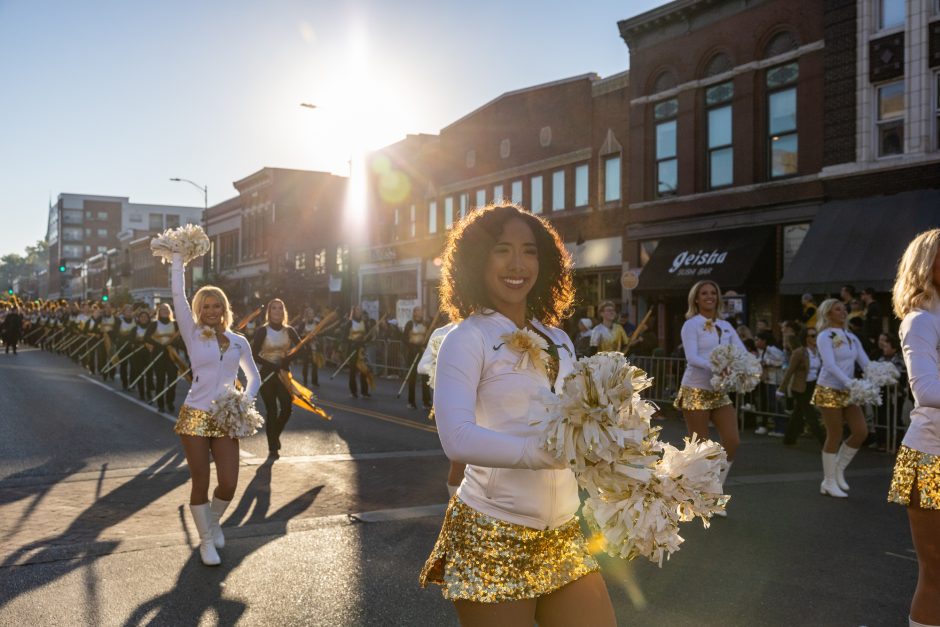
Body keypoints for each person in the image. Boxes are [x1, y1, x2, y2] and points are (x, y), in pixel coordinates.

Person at [419, 204, 615, 625]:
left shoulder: (559, 339)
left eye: (529, 252)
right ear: (476, 260)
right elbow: (456, 437)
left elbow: (578, 422)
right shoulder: (465, 339)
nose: (517, 264)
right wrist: (540, 452)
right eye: (501, 250)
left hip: (563, 533)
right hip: (493, 535)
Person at [170, 252, 261, 566]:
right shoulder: (193, 333)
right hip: (195, 415)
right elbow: (178, 296)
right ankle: (206, 541)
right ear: (199, 310)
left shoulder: (238, 341)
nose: (211, 311)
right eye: (205, 306)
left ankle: (213, 522)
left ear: (224, 308)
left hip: (226, 418)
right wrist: (179, 258)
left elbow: (254, 377)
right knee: (201, 481)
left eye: (216, 305)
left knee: (230, 482)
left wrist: (242, 402)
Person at [887, 228, 940, 627]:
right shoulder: (920, 321)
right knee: (936, 572)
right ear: (926, 264)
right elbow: (925, 390)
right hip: (927, 457)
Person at [675, 281, 742, 508]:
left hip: (719, 391)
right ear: (696, 298)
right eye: (704, 293)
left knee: (732, 441)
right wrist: (719, 366)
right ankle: (698, 494)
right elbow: (692, 357)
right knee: (700, 449)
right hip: (695, 389)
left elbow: (740, 351)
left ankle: (713, 490)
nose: (709, 296)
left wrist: (745, 366)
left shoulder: (725, 325)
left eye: (713, 293)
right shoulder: (691, 325)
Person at [812, 298, 870, 498]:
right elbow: (829, 365)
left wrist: (880, 375)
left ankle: (838, 469)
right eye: (838, 309)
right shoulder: (824, 336)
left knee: (861, 431)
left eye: (844, 309)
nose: (843, 312)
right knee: (835, 433)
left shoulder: (852, 337)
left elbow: (865, 362)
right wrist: (851, 382)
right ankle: (828, 482)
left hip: (848, 389)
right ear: (828, 314)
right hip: (828, 388)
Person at [251, 298, 301, 456]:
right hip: (267, 374)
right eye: (274, 308)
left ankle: (274, 435)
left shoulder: (290, 330)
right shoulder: (262, 331)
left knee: (287, 407)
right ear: (269, 312)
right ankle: (273, 447)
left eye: (280, 308)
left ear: (284, 311)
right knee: (271, 410)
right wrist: (271, 365)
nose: (277, 311)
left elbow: (302, 349)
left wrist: (288, 360)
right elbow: (253, 354)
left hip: (283, 374)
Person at [779, 328, 825, 446]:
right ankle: (824, 441)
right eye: (812, 336)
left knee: (798, 414)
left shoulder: (818, 351)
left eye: (816, 335)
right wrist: (781, 389)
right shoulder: (799, 352)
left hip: (812, 386)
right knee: (811, 415)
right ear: (806, 338)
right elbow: (790, 371)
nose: (815, 338)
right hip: (800, 388)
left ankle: (789, 439)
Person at [146, 303, 182, 413]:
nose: (164, 311)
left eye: (166, 309)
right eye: (162, 310)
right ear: (159, 312)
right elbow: (146, 337)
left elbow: (181, 339)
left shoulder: (175, 324)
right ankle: (160, 404)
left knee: (172, 380)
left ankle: (170, 401)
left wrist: (175, 344)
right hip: (158, 354)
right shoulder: (154, 324)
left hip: (172, 354)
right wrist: (159, 345)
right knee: (160, 380)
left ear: (170, 311)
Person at [755, 330, 786, 436]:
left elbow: (782, 360)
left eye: (758, 339)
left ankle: (781, 428)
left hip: (775, 381)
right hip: (769, 380)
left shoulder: (772, 349)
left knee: (776, 405)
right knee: (772, 405)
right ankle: (777, 427)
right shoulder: (764, 351)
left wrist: (768, 362)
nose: (756, 342)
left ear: (764, 341)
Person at [402, 306, 432, 410]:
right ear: (414, 313)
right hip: (413, 353)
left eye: (421, 311)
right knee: (412, 378)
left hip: (423, 354)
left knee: (425, 378)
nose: (420, 313)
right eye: (418, 311)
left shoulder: (426, 324)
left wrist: (425, 346)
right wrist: (413, 347)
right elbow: (404, 338)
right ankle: (411, 402)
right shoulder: (410, 324)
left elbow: (428, 338)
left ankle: (426, 401)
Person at [130, 308, 155, 401]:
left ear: (148, 318)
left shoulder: (152, 328)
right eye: (142, 317)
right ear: (138, 318)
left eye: (145, 317)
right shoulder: (135, 329)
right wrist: (138, 343)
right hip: (138, 354)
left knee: (149, 373)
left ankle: (149, 392)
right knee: (139, 374)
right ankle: (141, 393)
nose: (144, 318)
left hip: (149, 353)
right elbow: (131, 341)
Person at [297, 307, 321, 387]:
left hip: (314, 345)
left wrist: (316, 337)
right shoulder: (303, 323)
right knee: (305, 363)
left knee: (315, 364)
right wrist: (305, 337)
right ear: (306, 314)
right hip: (306, 346)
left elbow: (320, 333)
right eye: (309, 313)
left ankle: (315, 381)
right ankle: (305, 381)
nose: (311, 315)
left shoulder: (316, 322)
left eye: (312, 313)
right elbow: (298, 335)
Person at [861, 287, 884, 357]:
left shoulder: (874, 307)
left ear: (869, 295)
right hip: (866, 335)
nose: (862, 296)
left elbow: (876, 323)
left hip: (872, 337)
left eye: (863, 294)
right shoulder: (866, 307)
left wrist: (872, 336)